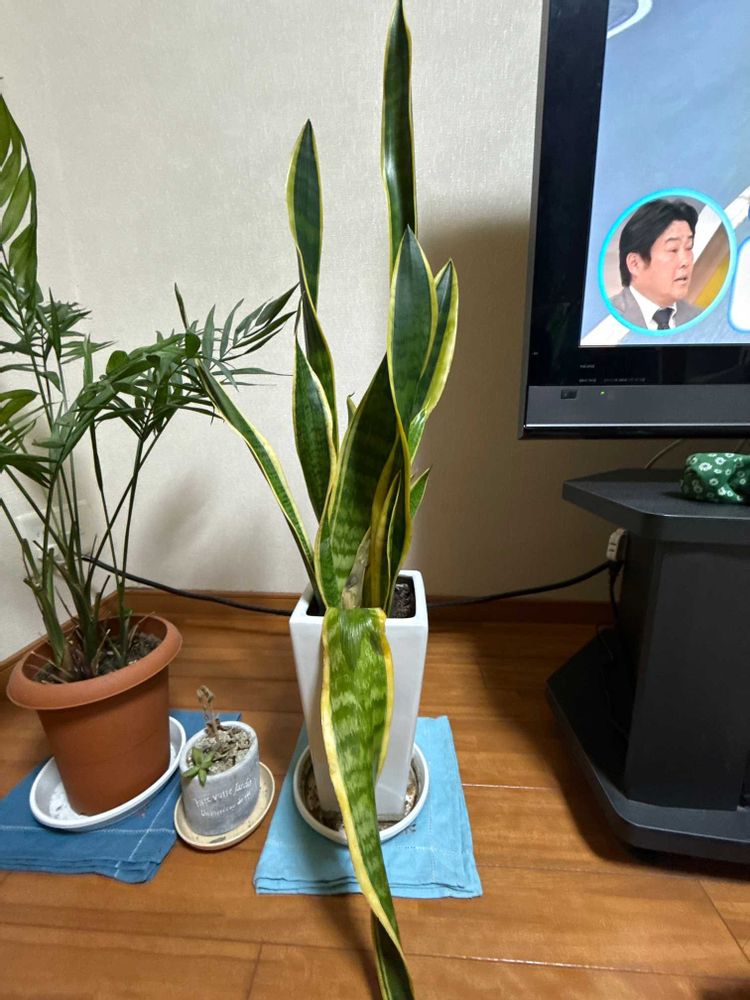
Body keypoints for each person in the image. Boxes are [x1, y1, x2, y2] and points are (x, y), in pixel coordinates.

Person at [609, 198, 703, 330]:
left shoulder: (701, 319)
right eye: (673, 249)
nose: (686, 261)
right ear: (635, 263)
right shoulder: (606, 322)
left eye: (689, 247)